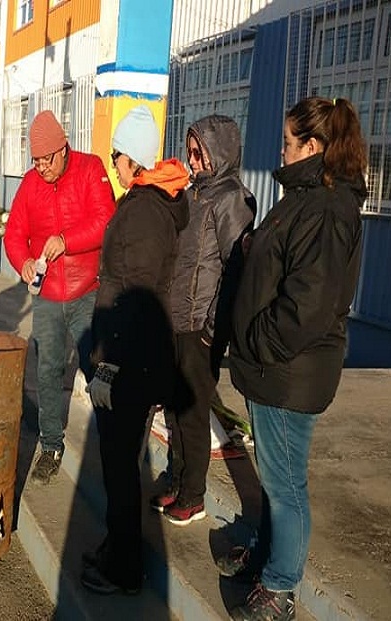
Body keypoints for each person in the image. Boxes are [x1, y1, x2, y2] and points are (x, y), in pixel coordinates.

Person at [223, 97, 367, 621]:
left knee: (286, 487)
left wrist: (257, 339)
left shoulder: (328, 209)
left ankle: (281, 587)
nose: (279, 148)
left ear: (313, 146)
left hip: (288, 370)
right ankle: (267, 561)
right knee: (275, 477)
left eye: (288, 141)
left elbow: (308, 304)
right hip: (274, 368)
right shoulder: (306, 198)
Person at [80, 105, 189, 594]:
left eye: (117, 155)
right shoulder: (145, 201)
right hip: (132, 358)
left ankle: (123, 569)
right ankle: (116, 547)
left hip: (132, 363)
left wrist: (110, 366)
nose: (113, 164)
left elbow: (137, 293)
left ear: (134, 159)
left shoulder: (146, 210)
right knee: (117, 464)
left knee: (121, 468)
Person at [151, 115, 255, 524]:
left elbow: (236, 270)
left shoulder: (232, 198)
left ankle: (193, 495)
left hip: (201, 327)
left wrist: (215, 329)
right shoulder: (194, 195)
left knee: (193, 415)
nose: (193, 161)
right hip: (178, 320)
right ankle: (177, 480)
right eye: (190, 151)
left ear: (219, 154)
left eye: (200, 153)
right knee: (175, 409)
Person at [3, 110, 115, 483]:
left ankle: (111, 446)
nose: (41, 168)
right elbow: (14, 234)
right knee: (48, 370)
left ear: (63, 148)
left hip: (86, 290)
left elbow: (105, 220)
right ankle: (52, 445)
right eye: (34, 161)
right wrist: (22, 263)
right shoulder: (30, 184)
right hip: (47, 295)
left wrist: (66, 242)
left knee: (94, 368)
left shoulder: (89, 169)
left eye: (46, 160)